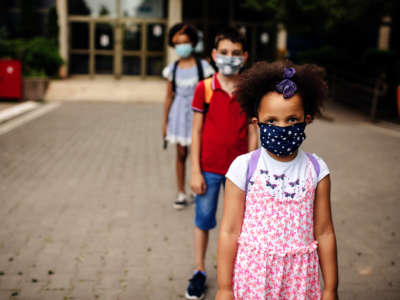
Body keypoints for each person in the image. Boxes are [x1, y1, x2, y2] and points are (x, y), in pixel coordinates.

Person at [215, 61, 339, 300]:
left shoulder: (316, 170)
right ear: (256, 122)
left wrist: (330, 288)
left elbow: (324, 232)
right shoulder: (244, 167)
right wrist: (224, 288)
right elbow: (229, 231)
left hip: (299, 280)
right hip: (253, 277)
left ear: (307, 120)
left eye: (292, 119)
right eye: (271, 121)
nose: (282, 127)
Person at [186, 27, 258, 300]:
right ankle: (200, 271)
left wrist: (252, 170)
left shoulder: (249, 92)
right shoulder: (203, 88)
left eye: (236, 53)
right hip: (207, 169)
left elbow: (254, 131)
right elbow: (196, 131)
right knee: (203, 221)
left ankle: (233, 276)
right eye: (224, 52)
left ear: (245, 56)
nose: (230, 58)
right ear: (214, 55)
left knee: (235, 227)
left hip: (239, 175)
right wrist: (195, 170)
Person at [162, 23, 215, 210]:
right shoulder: (173, 69)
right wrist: (165, 123)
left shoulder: (203, 67)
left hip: (199, 115)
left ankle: (197, 186)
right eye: (177, 43)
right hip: (178, 115)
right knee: (181, 154)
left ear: (192, 43)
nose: (181, 46)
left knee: (198, 152)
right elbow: (169, 96)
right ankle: (180, 192)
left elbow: (211, 94)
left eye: (185, 42)